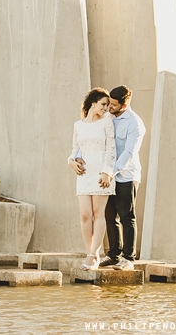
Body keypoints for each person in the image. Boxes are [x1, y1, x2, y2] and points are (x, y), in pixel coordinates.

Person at [98, 84, 146, 271]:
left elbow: (129, 153)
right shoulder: (108, 117)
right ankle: (113, 255)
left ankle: (128, 258)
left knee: (127, 216)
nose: (109, 107)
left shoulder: (135, 123)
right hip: (108, 176)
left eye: (113, 105)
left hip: (126, 176)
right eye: (109, 103)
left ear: (124, 105)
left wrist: (112, 171)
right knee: (110, 216)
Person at [68, 87, 116, 270]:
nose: (106, 108)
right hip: (84, 173)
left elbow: (111, 149)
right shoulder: (78, 125)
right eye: (103, 104)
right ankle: (91, 252)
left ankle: (93, 255)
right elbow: (74, 151)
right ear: (93, 103)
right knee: (85, 214)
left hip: (101, 172)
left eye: (108, 105)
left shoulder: (106, 122)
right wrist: (70, 161)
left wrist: (107, 172)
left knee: (98, 213)